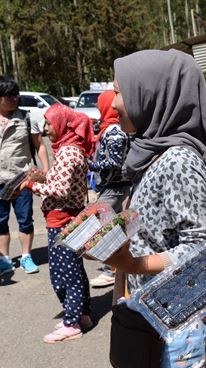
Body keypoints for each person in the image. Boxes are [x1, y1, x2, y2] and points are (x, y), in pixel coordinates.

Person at [104, 49, 206, 368]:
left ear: (153, 95)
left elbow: (202, 251)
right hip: (158, 310)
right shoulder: (153, 153)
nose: (113, 103)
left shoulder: (178, 161)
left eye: (121, 91)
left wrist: (132, 264)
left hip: (183, 317)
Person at [19, 104, 94, 343]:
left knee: (63, 275)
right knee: (74, 271)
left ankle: (71, 322)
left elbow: (60, 191)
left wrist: (32, 186)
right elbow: (62, 182)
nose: (45, 129)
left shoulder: (69, 152)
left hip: (64, 221)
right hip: (65, 219)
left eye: (49, 124)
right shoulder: (69, 149)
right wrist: (42, 176)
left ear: (63, 124)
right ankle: (81, 314)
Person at [0, 75, 50, 277]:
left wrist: (47, 171)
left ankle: (26, 256)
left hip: (22, 178)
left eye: (16, 94)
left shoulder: (26, 117)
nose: (15, 99)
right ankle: (4, 259)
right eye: (9, 96)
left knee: (25, 220)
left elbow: (39, 146)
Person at [87, 90, 132, 288]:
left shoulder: (114, 132)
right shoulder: (111, 127)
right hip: (113, 185)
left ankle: (112, 269)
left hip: (115, 186)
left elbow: (114, 162)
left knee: (102, 226)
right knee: (110, 226)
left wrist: (90, 165)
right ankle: (115, 266)